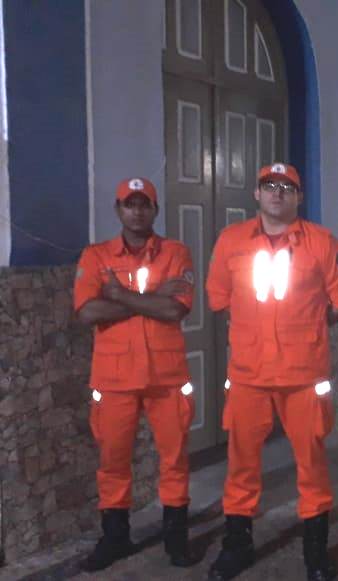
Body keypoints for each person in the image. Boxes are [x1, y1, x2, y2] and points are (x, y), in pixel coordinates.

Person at [205, 163, 338, 581]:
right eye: (270, 185)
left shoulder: (322, 243)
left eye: (288, 187)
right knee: (242, 465)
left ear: (299, 197)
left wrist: (311, 325)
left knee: (312, 464)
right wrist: (256, 325)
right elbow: (218, 297)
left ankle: (316, 553)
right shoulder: (231, 241)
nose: (278, 193)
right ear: (257, 194)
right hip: (249, 374)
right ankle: (237, 545)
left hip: (304, 375)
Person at [74, 177, 198, 571]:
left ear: (155, 211)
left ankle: (176, 538)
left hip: (166, 377)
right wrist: (153, 299)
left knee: (175, 459)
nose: (138, 210)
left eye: (145, 204)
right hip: (113, 380)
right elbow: (87, 313)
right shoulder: (95, 257)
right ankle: (115, 537)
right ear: (118, 210)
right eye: (130, 204)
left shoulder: (176, 252)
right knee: (113, 461)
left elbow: (175, 310)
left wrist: (120, 296)